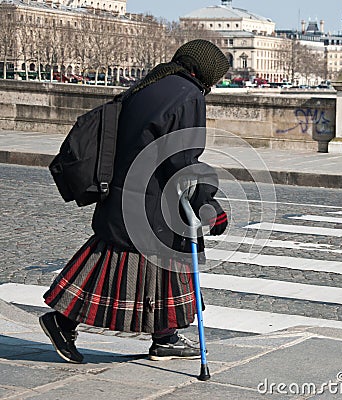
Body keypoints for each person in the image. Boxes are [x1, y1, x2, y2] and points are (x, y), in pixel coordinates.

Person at [39, 39, 230, 364]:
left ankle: (166, 336)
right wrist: (209, 205)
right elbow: (183, 161)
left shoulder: (152, 83)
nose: (216, 84)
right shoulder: (189, 96)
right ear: (205, 72)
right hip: (150, 201)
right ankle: (63, 320)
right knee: (118, 264)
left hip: (127, 192)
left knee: (140, 263)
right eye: (217, 77)